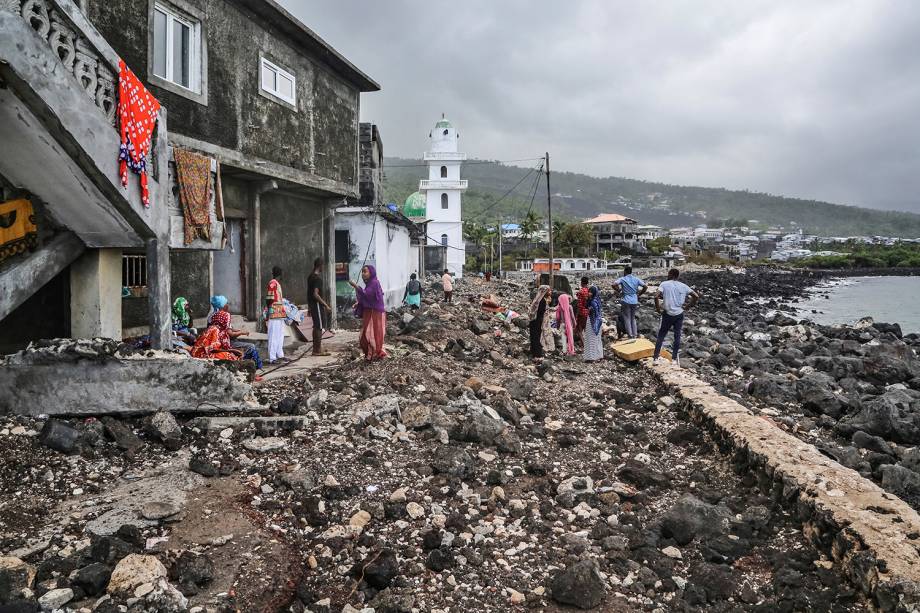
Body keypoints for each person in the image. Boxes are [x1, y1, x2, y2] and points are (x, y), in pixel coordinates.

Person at [653, 268, 700, 367]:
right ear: (678, 276)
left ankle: (655, 358)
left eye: (668, 274)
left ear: (670, 274)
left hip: (667, 313)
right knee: (677, 336)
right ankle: (674, 359)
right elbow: (696, 296)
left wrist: (658, 309)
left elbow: (656, 296)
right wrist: (687, 306)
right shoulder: (683, 286)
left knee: (661, 335)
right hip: (679, 314)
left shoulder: (664, 284)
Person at [349, 265, 388, 361]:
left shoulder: (374, 283)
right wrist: (358, 303)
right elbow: (368, 297)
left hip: (374, 313)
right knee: (365, 335)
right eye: (362, 271)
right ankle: (370, 354)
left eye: (365, 271)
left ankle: (374, 354)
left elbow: (367, 294)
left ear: (371, 273)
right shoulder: (370, 284)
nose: (363, 274)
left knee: (371, 335)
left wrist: (355, 286)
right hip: (369, 312)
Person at [612, 266, 647, 339]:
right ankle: (635, 334)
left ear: (625, 271)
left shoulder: (622, 279)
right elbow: (645, 287)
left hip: (626, 300)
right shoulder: (636, 279)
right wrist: (639, 294)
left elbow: (613, 285)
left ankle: (630, 335)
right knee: (633, 318)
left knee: (627, 318)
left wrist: (619, 291)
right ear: (631, 271)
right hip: (634, 300)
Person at [307, 257, 332, 356]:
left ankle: (316, 348)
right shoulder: (318, 279)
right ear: (320, 266)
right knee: (319, 327)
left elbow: (308, 293)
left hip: (312, 305)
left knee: (316, 326)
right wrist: (326, 305)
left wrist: (309, 307)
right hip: (317, 305)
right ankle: (317, 350)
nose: (323, 268)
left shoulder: (310, 277)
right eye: (323, 266)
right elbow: (315, 294)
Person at [265, 266, 288, 364]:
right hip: (274, 310)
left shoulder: (276, 283)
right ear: (280, 274)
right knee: (274, 334)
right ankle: (272, 357)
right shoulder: (273, 283)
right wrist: (268, 312)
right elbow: (269, 299)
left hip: (279, 310)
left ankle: (280, 354)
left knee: (280, 334)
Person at [528, 285, 551, 361]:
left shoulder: (538, 299)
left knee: (534, 336)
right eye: (548, 291)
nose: (550, 292)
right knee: (537, 337)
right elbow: (542, 312)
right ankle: (537, 355)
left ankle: (534, 352)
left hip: (534, 321)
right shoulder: (542, 301)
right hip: (538, 322)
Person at [583, 286, 604, 362]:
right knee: (597, 338)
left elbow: (591, 311)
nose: (589, 293)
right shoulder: (597, 300)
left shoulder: (592, 302)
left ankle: (591, 357)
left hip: (592, 321)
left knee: (590, 339)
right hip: (598, 321)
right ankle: (599, 355)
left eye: (591, 292)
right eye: (589, 291)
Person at [574, 276, 590, 349]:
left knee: (579, 329)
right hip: (588, 312)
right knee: (586, 328)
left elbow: (579, 305)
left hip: (582, 312)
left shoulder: (581, 292)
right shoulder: (589, 291)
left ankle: (584, 344)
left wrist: (577, 315)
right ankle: (587, 343)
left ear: (581, 282)